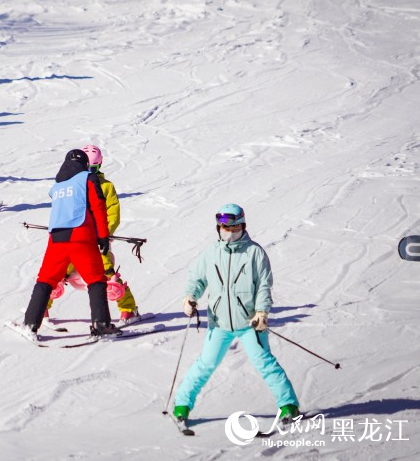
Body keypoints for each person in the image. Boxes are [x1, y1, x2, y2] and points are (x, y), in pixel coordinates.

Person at [172, 204, 300, 425]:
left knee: (264, 363)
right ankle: (182, 406)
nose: (230, 232)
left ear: (243, 226)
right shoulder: (211, 253)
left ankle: (289, 406)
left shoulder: (254, 252)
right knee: (205, 364)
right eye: (226, 228)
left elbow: (263, 286)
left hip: (250, 323)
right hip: (219, 323)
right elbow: (197, 279)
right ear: (219, 228)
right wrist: (190, 297)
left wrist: (261, 312)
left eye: (235, 228)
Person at [16, 150, 120, 339]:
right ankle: (102, 325)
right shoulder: (88, 178)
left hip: (56, 238)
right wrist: (103, 237)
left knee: (45, 279)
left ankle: (30, 324)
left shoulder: (58, 185)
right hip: (81, 235)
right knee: (96, 279)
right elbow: (98, 207)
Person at [45, 144, 141, 325]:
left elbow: (113, 213)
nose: (90, 172)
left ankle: (128, 309)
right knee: (58, 271)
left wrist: (103, 233)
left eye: (94, 169)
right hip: (74, 238)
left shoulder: (106, 186)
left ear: (100, 165)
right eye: (87, 168)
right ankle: (44, 307)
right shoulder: (74, 185)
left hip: (97, 241)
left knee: (107, 273)